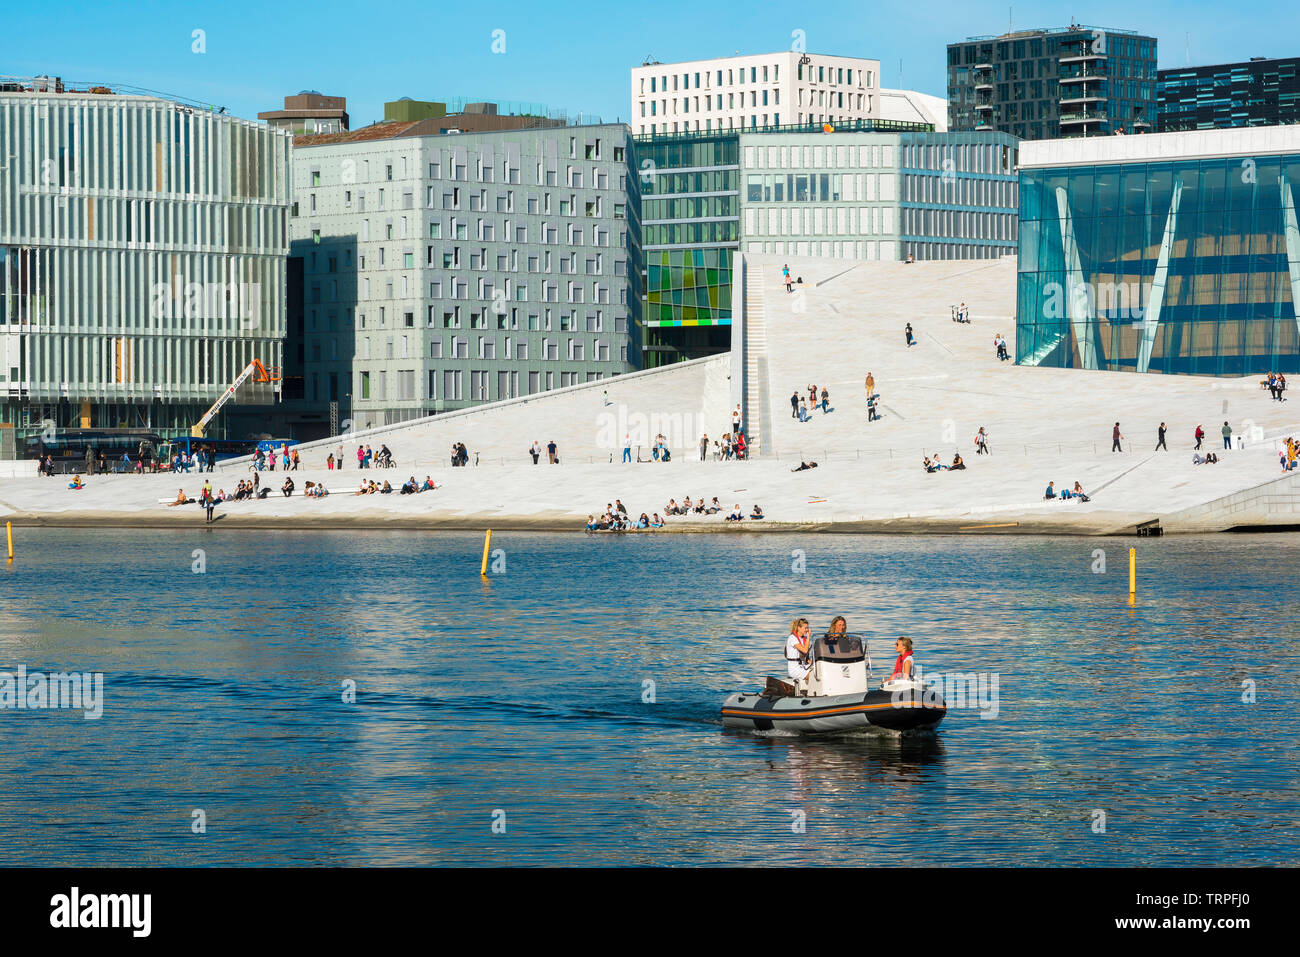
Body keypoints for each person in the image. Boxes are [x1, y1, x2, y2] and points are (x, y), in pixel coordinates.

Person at [785, 619, 813, 690]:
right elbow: (805, 650)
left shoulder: (803, 638)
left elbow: (805, 657)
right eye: (805, 628)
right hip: (795, 668)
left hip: (803, 665)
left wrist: (815, 663)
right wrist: (809, 637)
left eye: (807, 628)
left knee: (819, 670)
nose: (807, 630)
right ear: (798, 628)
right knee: (813, 675)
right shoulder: (792, 638)